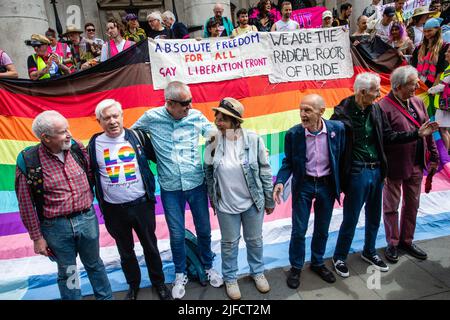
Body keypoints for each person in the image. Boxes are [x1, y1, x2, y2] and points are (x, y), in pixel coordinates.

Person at [330, 72, 439, 278]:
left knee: (374, 216)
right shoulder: (342, 113)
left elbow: (388, 136)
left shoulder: (376, 110)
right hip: (357, 171)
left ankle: (369, 251)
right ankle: (340, 256)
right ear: (362, 92)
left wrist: (416, 134)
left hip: (377, 169)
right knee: (351, 217)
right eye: (375, 90)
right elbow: (333, 146)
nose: (379, 93)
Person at [132, 81, 223, 299]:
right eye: (185, 103)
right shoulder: (151, 117)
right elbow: (131, 135)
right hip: (170, 187)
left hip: (196, 183)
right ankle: (180, 272)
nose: (189, 107)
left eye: (190, 102)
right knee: (175, 233)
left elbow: (214, 135)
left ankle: (208, 266)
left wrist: (209, 163)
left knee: (203, 228)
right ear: (170, 103)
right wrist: (150, 154)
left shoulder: (196, 116)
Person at [15, 110, 112, 300]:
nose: (69, 134)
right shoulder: (29, 161)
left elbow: (92, 177)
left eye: (68, 129)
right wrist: (37, 238)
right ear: (46, 138)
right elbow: (25, 204)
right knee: (69, 271)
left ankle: (105, 298)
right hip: (56, 228)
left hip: (87, 219)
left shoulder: (77, 148)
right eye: (62, 132)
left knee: (95, 265)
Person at [88, 99, 172, 300]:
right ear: (99, 121)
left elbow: (161, 157)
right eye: (106, 118)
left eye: (115, 116)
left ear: (122, 116)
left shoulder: (138, 136)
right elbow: (90, 172)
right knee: (125, 251)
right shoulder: (94, 143)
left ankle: (159, 284)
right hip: (113, 210)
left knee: (150, 246)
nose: (112, 121)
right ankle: (133, 286)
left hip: (142, 204)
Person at [204, 98, 274, 300]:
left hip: (252, 202)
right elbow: (208, 172)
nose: (218, 122)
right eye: (216, 117)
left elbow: (265, 171)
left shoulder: (253, 140)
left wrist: (269, 200)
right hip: (226, 205)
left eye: (223, 119)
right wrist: (213, 199)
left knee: (255, 240)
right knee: (229, 243)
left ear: (235, 121)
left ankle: (257, 272)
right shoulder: (212, 142)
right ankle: (231, 278)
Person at [273, 94, 345, 289]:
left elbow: (341, 158)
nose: (302, 115)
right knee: (299, 230)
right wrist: (280, 181)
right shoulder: (293, 134)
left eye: (307, 110)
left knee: (322, 229)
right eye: (301, 110)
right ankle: (296, 267)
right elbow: (288, 162)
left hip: (326, 186)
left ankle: (317, 262)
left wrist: (343, 185)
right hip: (303, 185)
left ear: (321, 112)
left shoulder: (337, 129)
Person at [379, 66, 439, 264]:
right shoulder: (382, 107)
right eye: (412, 84)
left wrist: (433, 155)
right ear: (398, 86)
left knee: (412, 204)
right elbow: (385, 139)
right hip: (394, 165)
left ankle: (407, 240)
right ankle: (392, 243)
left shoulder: (418, 102)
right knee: (391, 206)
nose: (416, 87)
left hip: (416, 163)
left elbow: (426, 129)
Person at [411, 18, 449, 88]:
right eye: (425, 31)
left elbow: (441, 72)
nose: (426, 34)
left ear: (438, 30)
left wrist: (433, 89)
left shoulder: (445, 48)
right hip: (418, 85)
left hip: (433, 87)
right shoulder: (418, 48)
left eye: (429, 31)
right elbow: (413, 67)